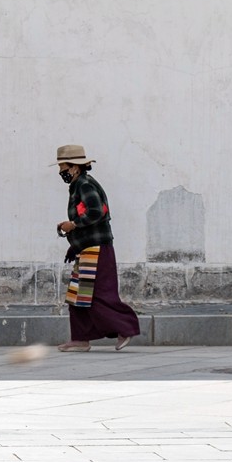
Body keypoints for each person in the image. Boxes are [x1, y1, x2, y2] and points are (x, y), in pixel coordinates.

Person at [53, 144, 140, 352]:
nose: (60, 172)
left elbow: (96, 212)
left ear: (74, 167)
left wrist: (72, 225)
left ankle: (125, 328)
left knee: (98, 294)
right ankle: (81, 338)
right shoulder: (78, 185)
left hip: (98, 249)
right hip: (88, 249)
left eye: (63, 167)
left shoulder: (85, 185)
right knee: (78, 295)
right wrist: (74, 245)